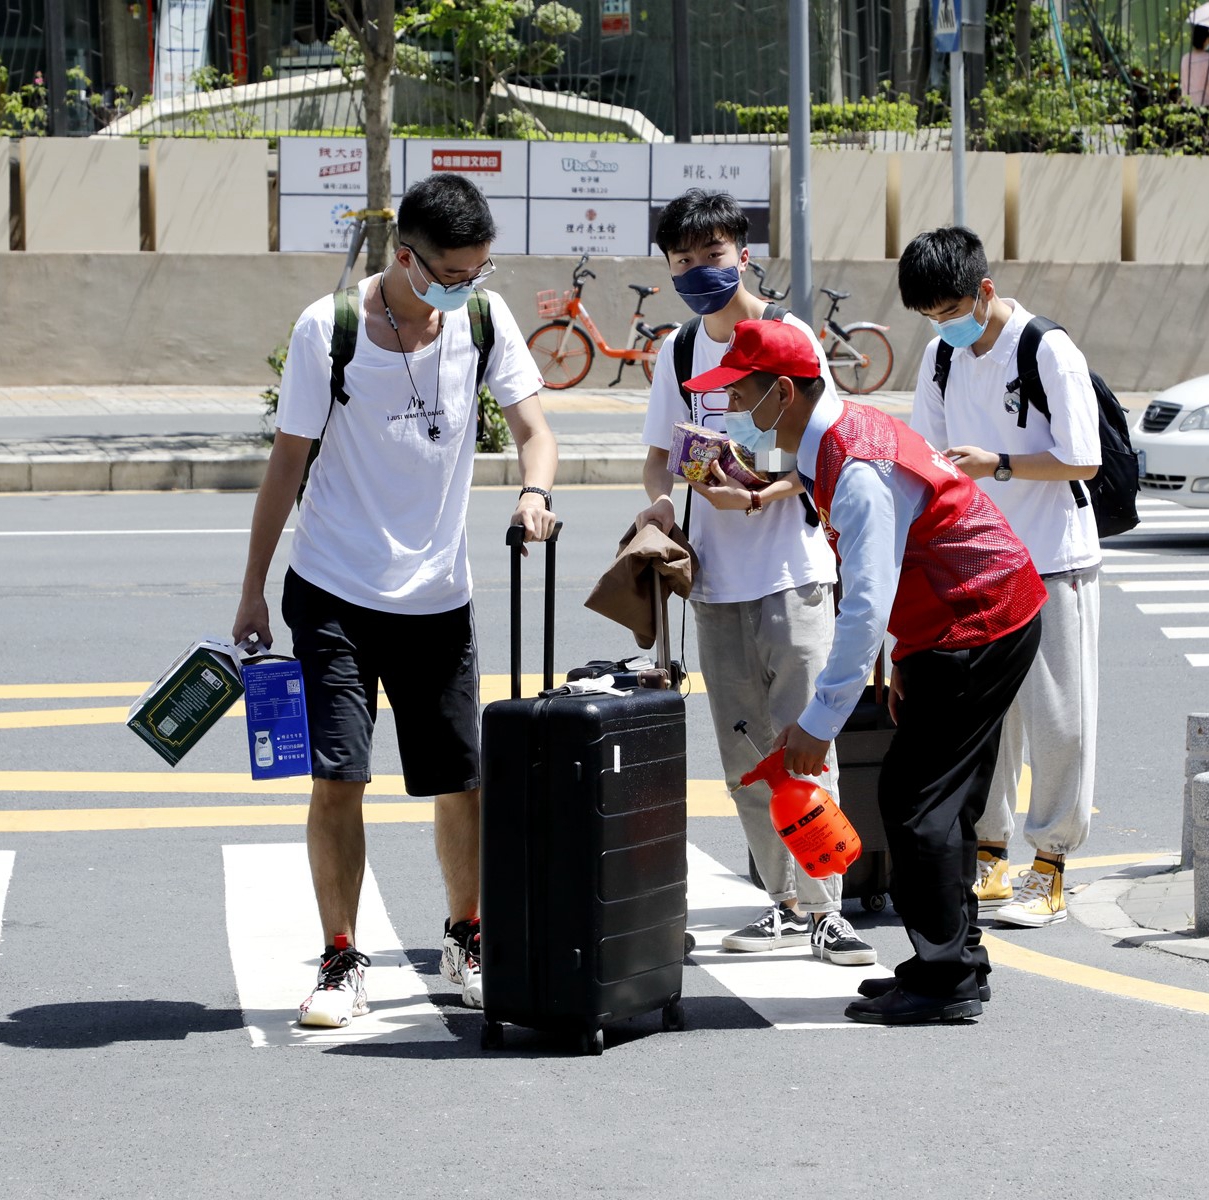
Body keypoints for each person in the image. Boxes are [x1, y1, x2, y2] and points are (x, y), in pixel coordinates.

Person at [233, 174, 558, 1028]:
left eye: (479, 271)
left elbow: (536, 429)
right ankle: (341, 959)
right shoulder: (329, 329)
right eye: (453, 273)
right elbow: (285, 466)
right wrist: (253, 591)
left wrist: (534, 491)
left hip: (440, 599)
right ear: (405, 257)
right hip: (334, 593)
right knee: (338, 778)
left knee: (461, 781)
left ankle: (468, 935)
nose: (466, 287)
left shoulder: (483, 323)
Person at [684, 317, 1045, 1025]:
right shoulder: (833, 440)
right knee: (940, 803)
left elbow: (868, 603)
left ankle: (945, 982)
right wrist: (904, 659)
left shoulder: (854, 465)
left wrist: (821, 722)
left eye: (739, 393)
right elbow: (878, 575)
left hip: (976, 619)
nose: (729, 410)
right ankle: (951, 960)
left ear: (782, 392)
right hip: (965, 618)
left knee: (918, 807)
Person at [632, 188, 875, 968]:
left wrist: (771, 488)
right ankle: (781, 901)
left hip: (793, 572)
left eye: (713, 254)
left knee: (806, 748)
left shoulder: (787, 332)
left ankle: (829, 908)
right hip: (714, 583)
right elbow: (659, 454)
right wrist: (671, 500)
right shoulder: (676, 351)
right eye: (684, 259)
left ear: (742, 252)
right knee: (744, 762)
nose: (700, 270)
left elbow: (832, 445)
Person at [900, 226, 1101, 931]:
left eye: (951, 311)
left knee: (1057, 721)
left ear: (985, 290)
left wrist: (1001, 464)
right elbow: (925, 455)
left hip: (1052, 556)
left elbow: (1083, 459)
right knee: (984, 719)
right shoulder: (940, 358)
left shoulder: (1046, 348)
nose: (943, 327)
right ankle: (990, 851)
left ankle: (1050, 864)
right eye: (930, 318)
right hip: (981, 563)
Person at [1180, 24, 1209, 107]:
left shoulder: (1185, 58)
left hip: (1188, 104)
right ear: (1206, 39)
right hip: (1206, 104)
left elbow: (1184, 84)